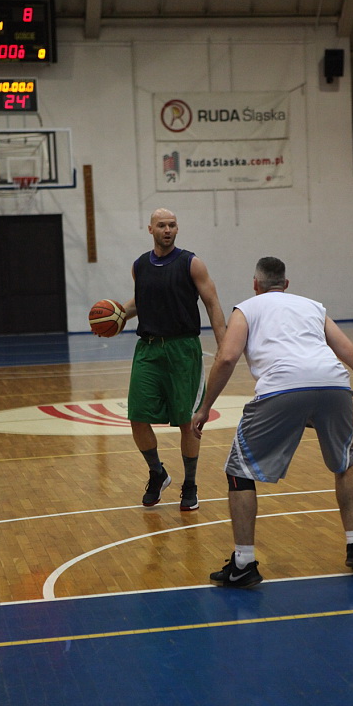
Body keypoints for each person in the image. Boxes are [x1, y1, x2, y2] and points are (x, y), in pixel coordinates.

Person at [192, 256, 353, 587]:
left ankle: (244, 563)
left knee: (239, 471)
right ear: (286, 284)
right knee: (344, 463)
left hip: (282, 386)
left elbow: (227, 357)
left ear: (255, 284)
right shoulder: (313, 307)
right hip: (334, 384)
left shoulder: (246, 309)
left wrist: (205, 407)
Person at [122, 208, 226, 511]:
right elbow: (141, 302)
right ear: (150, 229)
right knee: (137, 417)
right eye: (162, 225)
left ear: (177, 229)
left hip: (183, 350)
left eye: (172, 225)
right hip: (148, 349)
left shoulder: (191, 263)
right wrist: (117, 315)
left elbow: (212, 302)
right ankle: (157, 473)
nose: (167, 230)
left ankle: (190, 485)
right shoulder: (140, 265)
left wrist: (224, 346)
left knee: (187, 421)